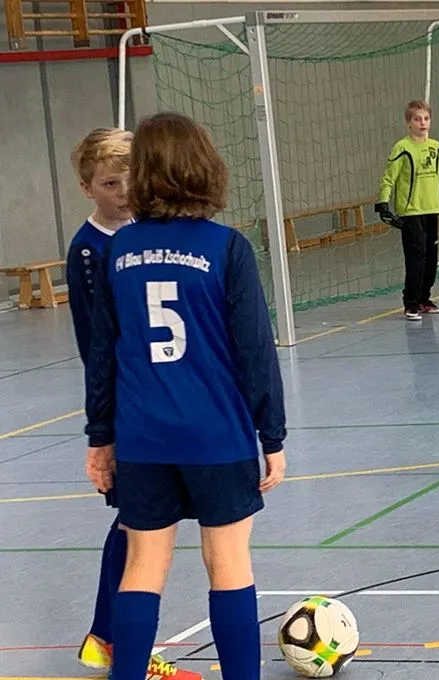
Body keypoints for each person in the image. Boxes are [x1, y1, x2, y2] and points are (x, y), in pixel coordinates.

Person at [83, 112, 287, 680]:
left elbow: (102, 355)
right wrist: (272, 436)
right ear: (205, 166)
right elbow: (256, 351)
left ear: (144, 172)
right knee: (228, 562)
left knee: (143, 564)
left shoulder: (119, 250)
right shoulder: (226, 247)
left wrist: (100, 438)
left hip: (143, 438)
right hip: (216, 435)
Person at [67, 128, 195, 680]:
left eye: (129, 180)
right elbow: (95, 344)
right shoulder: (90, 251)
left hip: (162, 404)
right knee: (137, 525)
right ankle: (114, 641)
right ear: (87, 188)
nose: (122, 193)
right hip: (129, 410)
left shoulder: (147, 236)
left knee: (140, 523)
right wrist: (110, 425)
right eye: (109, 184)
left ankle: (108, 636)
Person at [375, 100, 439, 321]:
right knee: (416, 258)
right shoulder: (402, 148)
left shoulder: (435, 147)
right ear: (409, 123)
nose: (422, 123)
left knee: (431, 258)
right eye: (417, 119)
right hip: (411, 212)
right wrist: (383, 204)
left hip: (432, 209)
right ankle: (411, 303)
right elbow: (389, 178)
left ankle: (425, 299)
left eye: (426, 118)